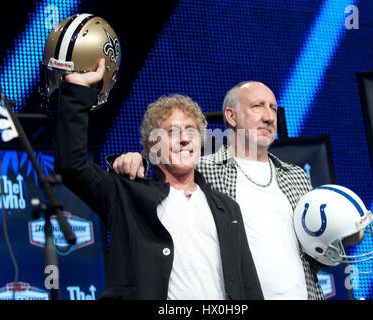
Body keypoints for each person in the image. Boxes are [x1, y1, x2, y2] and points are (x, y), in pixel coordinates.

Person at [53, 59, 263, 300]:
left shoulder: (227, 209)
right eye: (172, 132)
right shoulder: (127, 195)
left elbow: (249, 287)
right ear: (153, 146)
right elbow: (72, 165)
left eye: (191, 131)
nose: (185, 139)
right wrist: (77, 91)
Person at [111, 81, 325, 300]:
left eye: (272, 107)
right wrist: (137, 160)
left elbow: (315, 257)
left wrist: (339, 235)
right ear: (231, 117)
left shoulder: (296, 175)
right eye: (258, 106)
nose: (270, 117)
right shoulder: (201, 170)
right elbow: (161, 178)